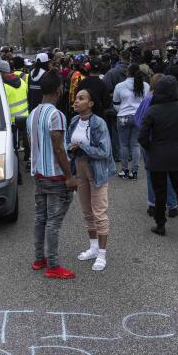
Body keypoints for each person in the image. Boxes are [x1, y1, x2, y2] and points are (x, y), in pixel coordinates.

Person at [26, 70, 78, 280]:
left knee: (41, 218)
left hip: (39, 174)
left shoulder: (33, 114)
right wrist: (69, 176)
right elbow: (57, 148)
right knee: (53, 222)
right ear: (59, 89)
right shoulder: (56, 115)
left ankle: (40, 259)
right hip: (56, 177)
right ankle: (54, 265)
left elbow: (35, 145)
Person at [138, 75, 178, 237]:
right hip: (177, 155)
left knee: (160, 192)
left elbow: (142, 136)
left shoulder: (152, 110)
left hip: (157, 156)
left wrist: (151, 148)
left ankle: (160, 225)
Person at [67, 89, 115, 271]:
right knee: (87, 212)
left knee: (99, 213)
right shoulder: (74, 121)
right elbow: (66, 143)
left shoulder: (99, 123)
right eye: (76, 98)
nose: (76, 101)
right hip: (79, 169)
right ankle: (93, 248)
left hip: (97, 171)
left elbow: (104, 152)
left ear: (91, 103)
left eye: (81, 98)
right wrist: (70, 147)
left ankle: (102, 254)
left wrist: (82, 146)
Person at [113, 63, 147, 180]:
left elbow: (115, 103)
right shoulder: (145, 85)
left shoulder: (120, 86)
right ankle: (135, 172)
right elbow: (146, 102)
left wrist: (121, 110)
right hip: (139, 117)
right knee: (136, 145)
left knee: (124, 144)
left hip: (123, 117)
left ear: (127, 72)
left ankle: (125, 170)